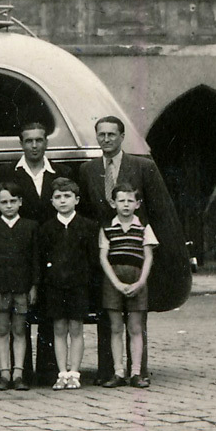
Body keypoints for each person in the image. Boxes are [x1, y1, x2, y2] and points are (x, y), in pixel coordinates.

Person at [80, 116, 154, 385]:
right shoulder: (87, 169)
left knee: (135, 323)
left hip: (133, 251)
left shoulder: (142, 166)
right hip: (104, 247)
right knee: (109, 318)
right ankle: (110, 370)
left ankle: (138, 371)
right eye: (101, 134)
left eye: (112, 134)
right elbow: (85, 210)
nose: (106, 139)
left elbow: (157, 209)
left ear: (122, 137)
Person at [0, 121, 61, 384]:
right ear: (21, 143)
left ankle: (47, 369)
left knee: (47, 309)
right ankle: (21, 370)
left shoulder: (59, 172)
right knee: (18, 316)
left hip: (51, 251)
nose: (34, 145)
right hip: (18, 252)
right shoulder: (7, 172)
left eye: (39, 140)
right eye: (29, 141)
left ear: (46, 142)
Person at [37, 175, 99, 389]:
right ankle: (62, 372)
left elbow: (93, 259)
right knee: (59, 329)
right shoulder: (46, 228)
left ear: (77, 200)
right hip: (55, 287)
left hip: (78, 286)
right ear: (52, 201)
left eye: (67, 196)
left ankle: (74, 373)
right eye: (58, 197)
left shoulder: (88, 226)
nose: (62, 200)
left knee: (76, 328)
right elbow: (42, 258)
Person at [98, 181, 158, 387]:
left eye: (130, 201)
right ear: (113, 203)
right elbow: (103, 257)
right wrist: (115, 282)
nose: (125, 205)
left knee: (135, 327)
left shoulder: (143, 228)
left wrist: (141, 282)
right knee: (115, 327)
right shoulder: (107, 228)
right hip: (113, 281)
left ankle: (136, 373)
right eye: (121, 200)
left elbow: (148, 257)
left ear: (137, 204)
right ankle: (118, 372)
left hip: (136, 280)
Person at [0, 182, 39, 390]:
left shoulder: (30, 226)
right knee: (2, 329)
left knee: (20, 330)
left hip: (22, 285)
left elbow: (35, 259)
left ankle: (18, 373)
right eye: (4, 202)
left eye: (13, 201)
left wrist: (34, 285)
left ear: (20, 202)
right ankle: (4, 373)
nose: (9, 206)